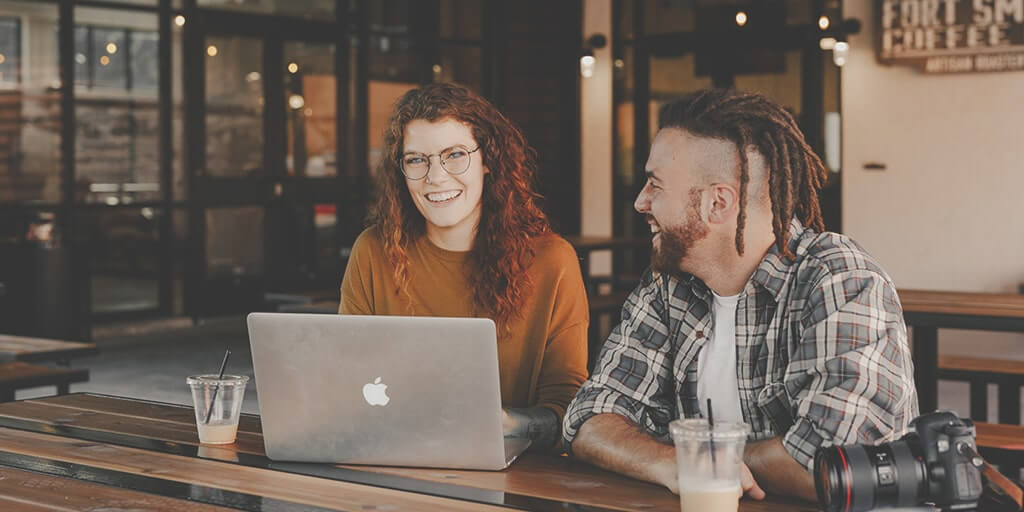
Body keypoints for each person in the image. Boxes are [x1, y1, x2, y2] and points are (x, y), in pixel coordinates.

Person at [562, 88, 918, 500]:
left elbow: (832, 462)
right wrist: (667, 462)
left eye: (655, 185)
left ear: (718, 203)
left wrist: (700, 460)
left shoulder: (840, 279)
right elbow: (589, 419)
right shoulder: (668, 283)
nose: (641, 201)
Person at [339, 82, 588, 451]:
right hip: (389, 454)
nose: (435, 176)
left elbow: (568, 405)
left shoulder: (552, 261)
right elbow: (342, 377)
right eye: (416, 159)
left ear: (488, 161)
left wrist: (504, 423)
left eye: (454, 155)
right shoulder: (373, 251)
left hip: (513, 471)